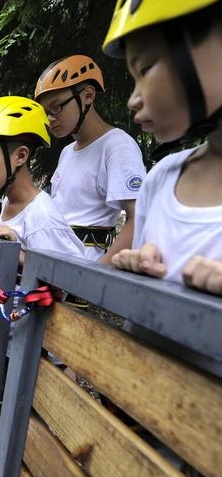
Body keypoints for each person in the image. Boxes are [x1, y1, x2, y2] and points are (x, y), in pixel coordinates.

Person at [103, 0, 222, 378]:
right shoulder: (162, 176)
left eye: (146, 68)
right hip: (131, 401)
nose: (133, 98)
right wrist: (137, 264)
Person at [34, 54, 146, 264]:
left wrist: (96, 276)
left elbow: (139, 218)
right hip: (54, 267)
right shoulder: (67, 152)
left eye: (57, 107)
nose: (50, 119)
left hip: (82, 277)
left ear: (87, 95)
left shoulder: (117, 146)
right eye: (46, 112)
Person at [0, 96, 85, 265]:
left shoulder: (43, 218)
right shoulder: (9, 201)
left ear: (20, 156)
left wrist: (17, 251)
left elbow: (71, 281)